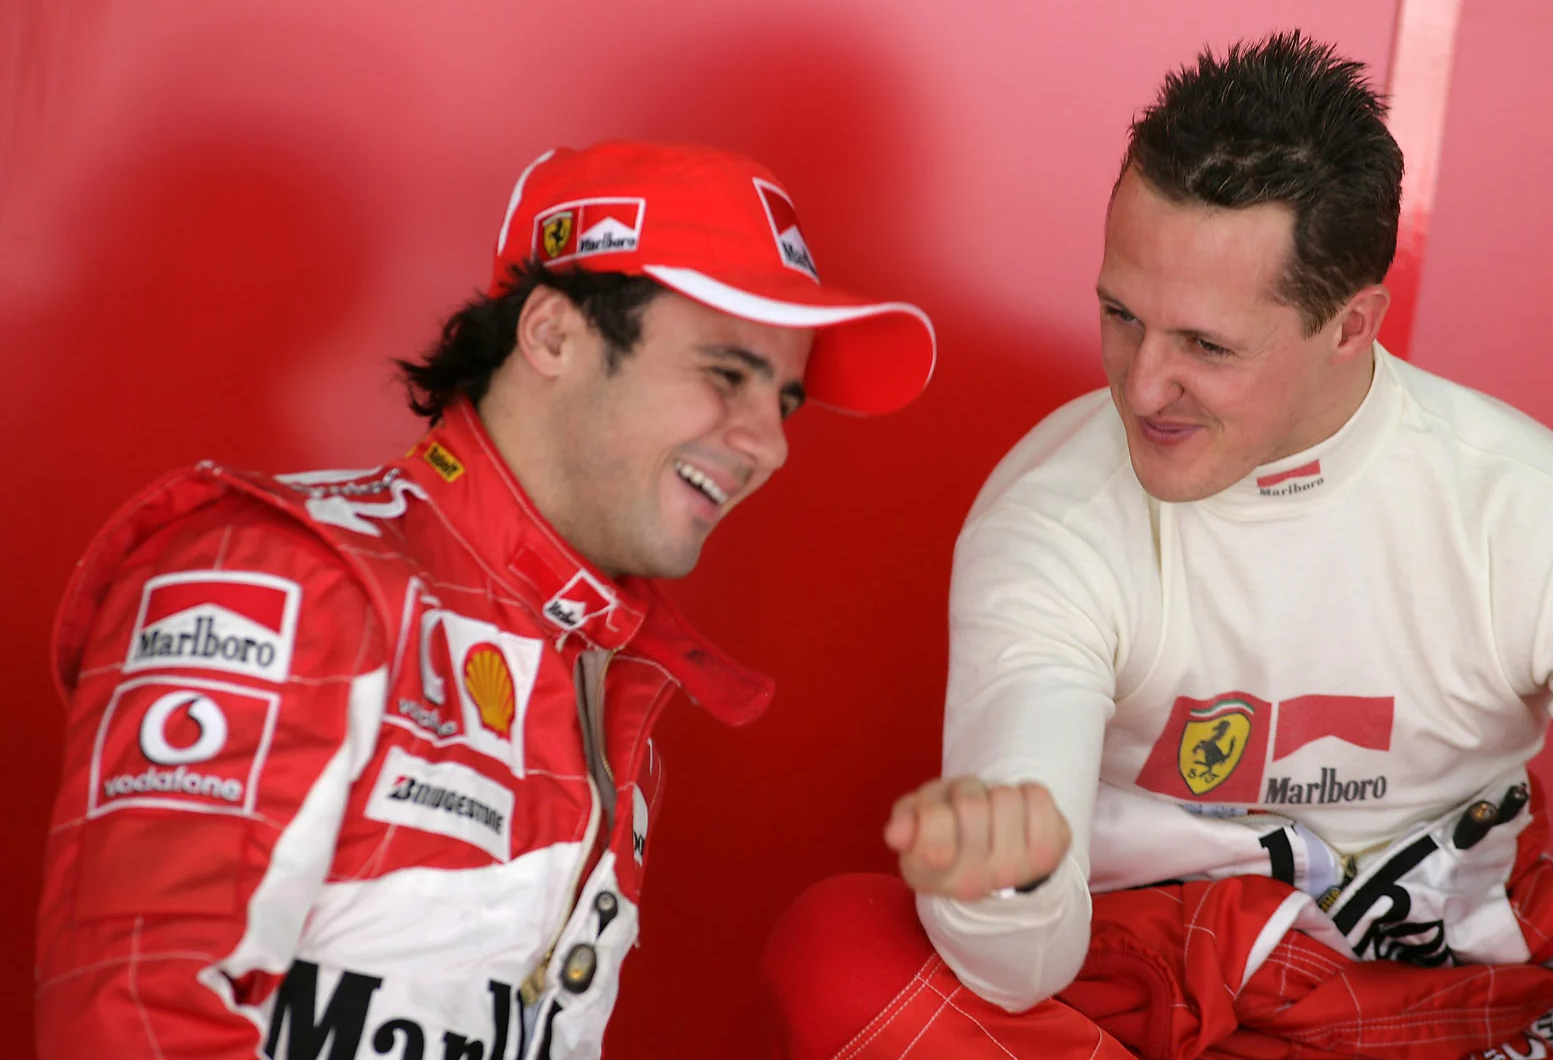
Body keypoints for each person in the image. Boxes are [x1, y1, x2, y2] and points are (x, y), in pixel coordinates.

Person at [762, 34, 1553, 1060]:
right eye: (1120, 314)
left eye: (1208, 344)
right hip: (1149, 1021)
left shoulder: (1533, 519)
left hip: (1462, 1028)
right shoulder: (1053, 517)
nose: (1141, 384)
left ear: (1352, 324)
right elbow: (1025, 967)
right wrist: (1001, 892)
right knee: (839, 945)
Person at [35, 140, 934, 1058]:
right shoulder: (278, 579)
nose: (770, 445)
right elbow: (134, 1024)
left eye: (783, 401)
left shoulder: (608, 667)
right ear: (552, 334)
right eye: (726, 374)